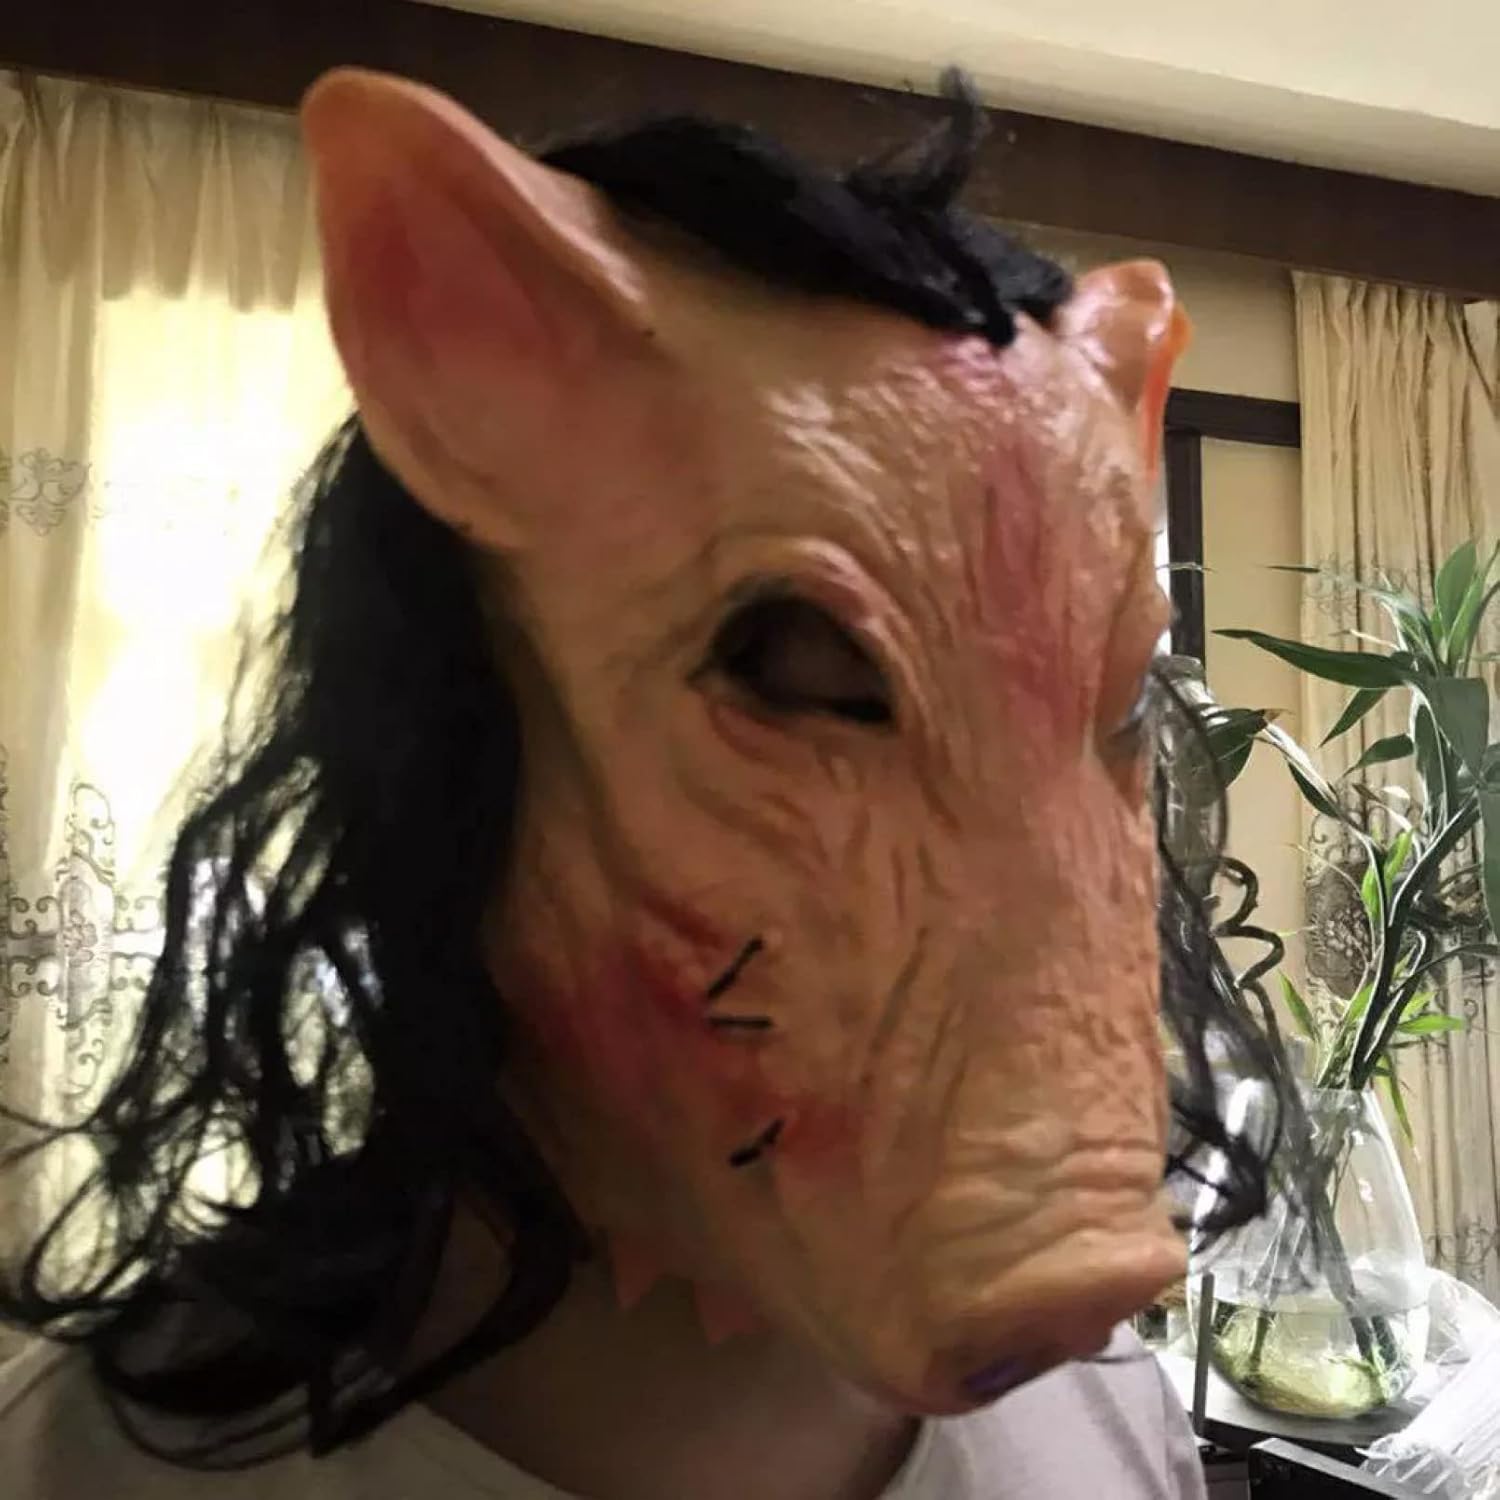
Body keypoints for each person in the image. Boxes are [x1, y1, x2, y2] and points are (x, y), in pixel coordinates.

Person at [0, 65, 1290, 1499]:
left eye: (1120, 709)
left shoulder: (1114, 1426)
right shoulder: (84, 1470)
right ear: (455, 732)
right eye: (806, 679)